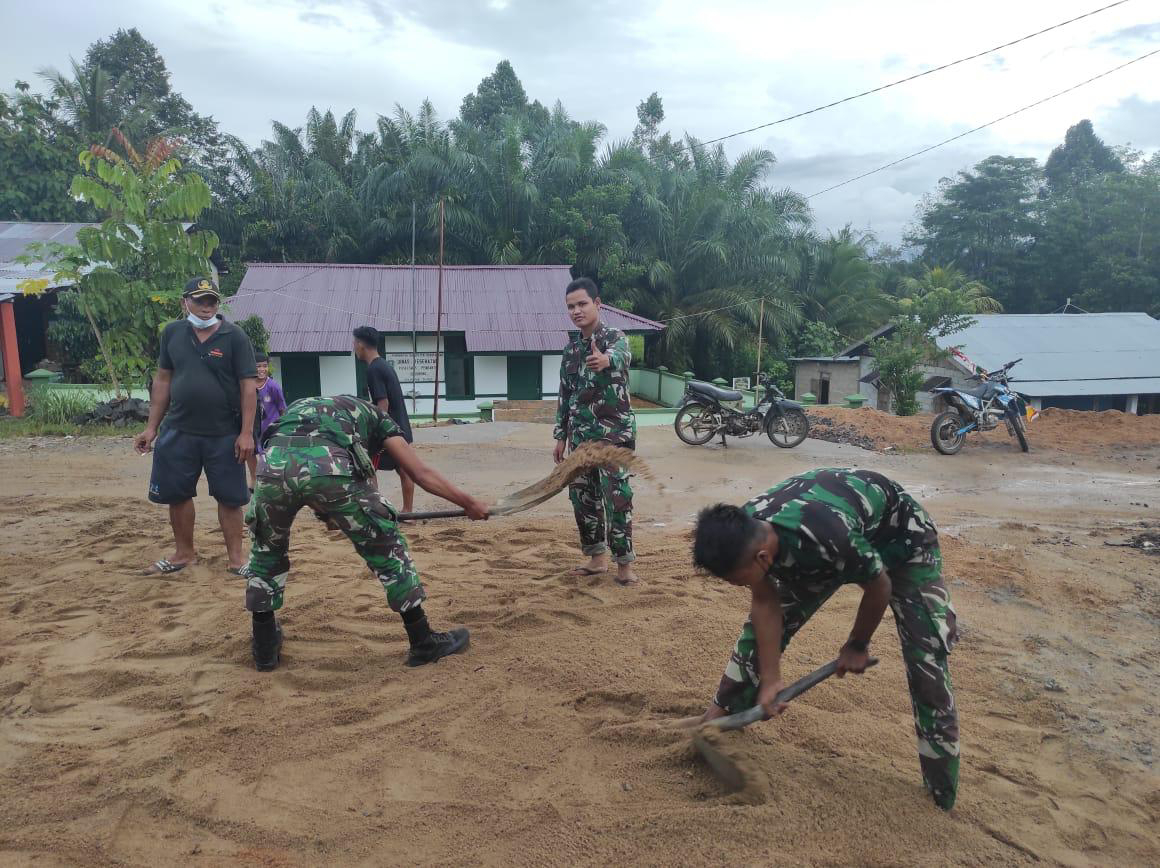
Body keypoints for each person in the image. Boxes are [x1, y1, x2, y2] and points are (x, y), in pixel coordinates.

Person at [687, 468, 960, 810]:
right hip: (821, 549)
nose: (738, 586)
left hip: (902, 541)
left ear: (762, 558)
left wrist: (857, 644)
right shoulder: (746, 531)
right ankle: (719, 720)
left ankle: (940, 798)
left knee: (927, 663)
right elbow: (764, 602)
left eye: (737, 581)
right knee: (757, 638)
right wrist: (771, 679)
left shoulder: (829, 538)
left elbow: (879, 585)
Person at [245, 394, 489, 671]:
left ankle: (264, 650)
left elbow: (298, 461)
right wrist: (469, 504)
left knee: (267, 552)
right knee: (386, 546)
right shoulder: (381, 420)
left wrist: (329, 510)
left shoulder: (310, 408)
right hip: (328, 467)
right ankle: (423, 642)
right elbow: (419, 473)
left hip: (270, 467)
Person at [134, 276, 257, 575]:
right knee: (177, 494)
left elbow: (248, 386)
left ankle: (237, 560)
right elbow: (163, 380)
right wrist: (151, 428)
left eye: (211, 300)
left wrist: (246, 433)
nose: (206, 306)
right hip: (178, 430)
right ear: (184, 301)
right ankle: (183, 554)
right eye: (200, 300)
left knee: (230, 497)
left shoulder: (234, 336)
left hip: (224, 433)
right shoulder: (172, 333)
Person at [553, 277, 638, 586]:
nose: (576, 311)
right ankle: (597, 558)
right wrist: (560, 437)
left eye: (582, 304)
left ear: (597, 304)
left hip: (614, 437)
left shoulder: (615, 338)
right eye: (571, 306)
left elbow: (621, 357)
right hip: (580, 439)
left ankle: (624, 566)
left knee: (617, 498)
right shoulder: (570, 350)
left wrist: (605, 360)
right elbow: (565, 394)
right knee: (583, 499)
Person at [352, 326, 416, 513]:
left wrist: (375, 432)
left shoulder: (374, 369)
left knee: (368, 466)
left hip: (389, 429)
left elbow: (383, 404)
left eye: (355, 343)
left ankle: (375, 509)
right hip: (402, 427)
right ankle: (408, 511)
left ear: (361, 344)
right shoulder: (384, 365)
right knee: (404, 470)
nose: (354, 347)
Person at [246, 353, 287, 489]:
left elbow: (282, 409)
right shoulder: (248, 386)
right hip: (253, 428)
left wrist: (283, 427)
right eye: (258, 366)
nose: (262, 369)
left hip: (270, 430)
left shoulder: (273, 386)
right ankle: (253, 479)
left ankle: (272, 482)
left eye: (265, 366)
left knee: (269, 457)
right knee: (250, 453)